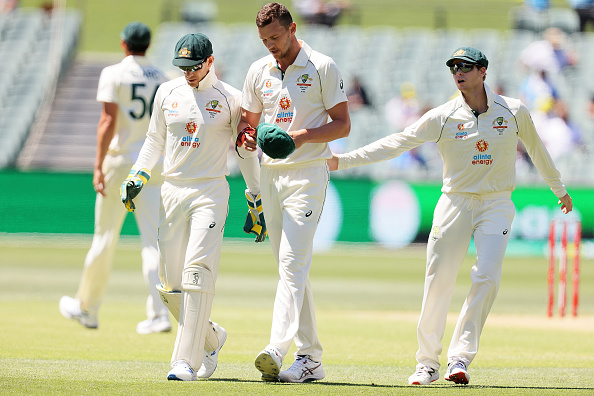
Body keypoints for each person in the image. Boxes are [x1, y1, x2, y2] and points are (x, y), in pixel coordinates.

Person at [327, 47, 573, 386]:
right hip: (454, 201)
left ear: (483, 71)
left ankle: (460, 358)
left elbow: (537, 149)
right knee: (438, 280)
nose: (458, 72)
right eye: (454, 67)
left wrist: (558, 189)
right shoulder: (442, 116)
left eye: (466, 67)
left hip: (497, 203)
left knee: (486, 277)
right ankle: (426, 362)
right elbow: (398, 142)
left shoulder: (513, 111)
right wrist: (344, 160)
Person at [123, 32, 262, 381]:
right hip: (172, 190)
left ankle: (184, 361)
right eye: (183, 67)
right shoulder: (167, 93)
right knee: (169, 282)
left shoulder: (231, 98)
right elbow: (154, 139)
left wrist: (256, 196)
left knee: (196, 271)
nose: (188, 73)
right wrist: (137, 173)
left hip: (210, 192)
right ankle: (211, 338)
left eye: (195, 67)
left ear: (210, 62)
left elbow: (245, 149)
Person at [239, 2, 350, 383]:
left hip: (307, 174)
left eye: (275, 37)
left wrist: (300, 138)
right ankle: (311, 359)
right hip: (270, 175)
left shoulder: (322, 66)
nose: (270, 45)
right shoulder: (258, 70)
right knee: (291, 269)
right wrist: (248, 136)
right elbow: (248, 122)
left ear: (292, 28)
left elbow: (342, 124)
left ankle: (276, 347)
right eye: (264, 40)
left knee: (291, 264)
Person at [59, 22, 172, 335]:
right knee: (153, 242)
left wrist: (98, 164)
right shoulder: (163, 78)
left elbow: (108, 121)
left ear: (124, 44)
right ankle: (160, 314)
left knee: (105, 237)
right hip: (153, 165)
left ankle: (88, 309)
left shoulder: (114, 73)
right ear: (147, 45)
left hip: (122, 161)